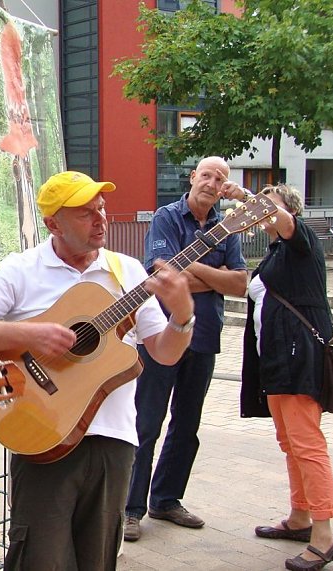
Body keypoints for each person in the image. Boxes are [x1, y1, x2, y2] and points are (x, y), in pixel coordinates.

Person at [0, 170, 195, 570]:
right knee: (40, 558)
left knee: (98, 559)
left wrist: (182, 315)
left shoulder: (127, 272)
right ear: (52, 224)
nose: (100, 220)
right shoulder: (21, 269)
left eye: (101, 208)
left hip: (115, 440)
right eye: (84, 213)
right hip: (45, 436)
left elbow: (165, 353)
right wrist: (31, 335)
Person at [124, 156, 247, 542]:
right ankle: (130, 508)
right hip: (162, 336)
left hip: (205, 335)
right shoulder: (166, 216)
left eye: (221, 178)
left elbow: (241, 283)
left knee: (187, 424)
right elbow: (161, 275)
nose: (212, 183)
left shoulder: (228, 226)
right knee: (146, 423)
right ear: (194, 177)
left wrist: (196, 275)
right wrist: (217, 278)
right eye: (207, 175)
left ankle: (166, 499)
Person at [234, 183, 333, 571]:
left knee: (307, 444)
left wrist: (246, 195)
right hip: (276, 362)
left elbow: (282, 218)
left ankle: (324, 535)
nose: (260, 214)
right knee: (290, 443)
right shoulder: (276, 252)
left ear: (287, 212)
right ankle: (300, 517)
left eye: (268, 207)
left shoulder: (302, 240)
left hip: (299, 361)